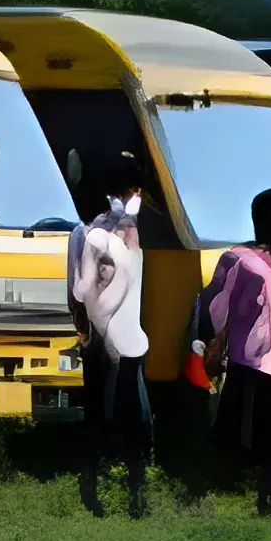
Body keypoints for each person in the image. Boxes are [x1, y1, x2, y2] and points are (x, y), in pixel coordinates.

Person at [192, 185, 271, 518]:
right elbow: (214, 303)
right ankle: (209, 492)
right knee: (236, 435)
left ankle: (264, 502)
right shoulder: (239, 259)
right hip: (252, 363)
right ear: (264, 218)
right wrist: (211, 343)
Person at [67, 157, 155, 517]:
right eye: (126, 192)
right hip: (101, 347)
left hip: (129, 344)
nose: (132, 198)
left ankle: (136, 496)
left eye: (135, 191)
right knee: (99, 420)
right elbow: (76, 291)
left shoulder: (136, 237)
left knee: (138, 421)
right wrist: (87, 335)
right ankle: (93, 494)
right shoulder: (88, 235)